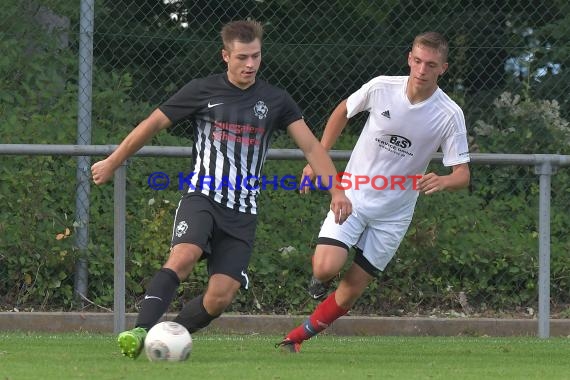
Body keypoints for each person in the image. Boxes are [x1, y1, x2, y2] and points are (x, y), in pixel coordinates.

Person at [91, 20, 352, 359]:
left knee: (220, 296)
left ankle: (168, 336)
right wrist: (114, 160)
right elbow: (153, 123)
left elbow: (312, 148)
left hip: (242, 211)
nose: (250, 64)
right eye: (242, 57)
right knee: (183, 257)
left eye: (256, 56)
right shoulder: (202, 90)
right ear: (225, 56)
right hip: (202, 197)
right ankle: (141, 330)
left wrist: (337, 191)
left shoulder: (275, 100)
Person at [277, 31, 471, 352]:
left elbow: (462, 174)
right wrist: (319, 156)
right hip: (353, 195)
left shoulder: (449, 114)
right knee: (325, 267)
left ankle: (298, 337)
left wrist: (444, 180)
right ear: (410, 58)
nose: (422, 70)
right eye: (418, 61)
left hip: (394, 213)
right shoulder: (382, 87)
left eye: (431, 64)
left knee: (351, 290)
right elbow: (343, 110)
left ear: (443, 69)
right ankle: (319, 281)